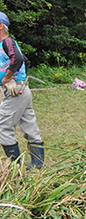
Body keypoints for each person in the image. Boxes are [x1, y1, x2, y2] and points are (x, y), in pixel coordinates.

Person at [0, 11, 44, 168]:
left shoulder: (7, 41)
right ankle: (37, 164)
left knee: (2, 126)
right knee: (29, 125)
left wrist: (6, 78)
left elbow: (18, 59)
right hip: (21, 90)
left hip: (15, 89)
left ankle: (14, 168)